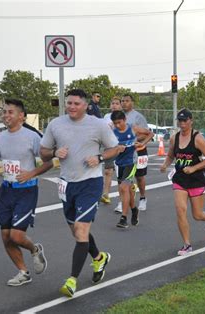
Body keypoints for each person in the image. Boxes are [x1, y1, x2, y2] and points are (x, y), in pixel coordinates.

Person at [40, 89, 123, 297]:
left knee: (81, 230)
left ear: (86, 105)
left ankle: (72, 280)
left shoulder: (98, 125)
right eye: (69, 103)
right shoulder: (56, 124)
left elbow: (115, 148)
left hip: (90, 183)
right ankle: (99, 258)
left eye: (77, 103)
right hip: (67, 184)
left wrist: (100, 158)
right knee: (77, 232)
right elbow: (43, 153)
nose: (72, 107)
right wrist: (54, 153)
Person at [0, 99, 52, 286]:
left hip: (27, 190)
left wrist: (31, 173)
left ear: (21, 116)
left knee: (16, 236)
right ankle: (23, 272)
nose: (6, 115)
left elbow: (48, 162)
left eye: (10, 112)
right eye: (4, 112)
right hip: (6, 190)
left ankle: (35, 250)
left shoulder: (32, 137)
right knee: (6, 236)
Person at [160, 109, 205, 255]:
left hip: (196, 180)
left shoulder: (197, 138)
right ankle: (187, 244)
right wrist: (165, 165)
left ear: (191, 121)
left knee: (197, 215)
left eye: (185, 120)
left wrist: (193, 168)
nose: (182, 123)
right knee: (180, 210)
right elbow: (170, 155)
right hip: (180, 179)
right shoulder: (175, 138)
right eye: (180, 121)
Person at [111, 111, 153, 228]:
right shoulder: (112, 132)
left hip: (131, 162)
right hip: (119, 163)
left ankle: (123, 218)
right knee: (127, 191)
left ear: (124, 120)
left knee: (124, 188)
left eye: (119, 122)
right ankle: (134, 209)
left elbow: (150, 133)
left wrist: (142, 144)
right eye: (115, 123)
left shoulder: (133, 128)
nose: (118, 125)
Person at [118, 94, 149, 212]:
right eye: (122, 101)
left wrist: (134, 140)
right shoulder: (118, 117)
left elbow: (146, 133)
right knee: (123, 178)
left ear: (132, 103)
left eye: (127, 101)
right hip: (124, 152)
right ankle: (123, 201)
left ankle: (142, 198)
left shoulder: (138, 117)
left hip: (138, 150)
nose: (124, 103)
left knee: (139, 176)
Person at [101, 97, 123, 205]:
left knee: (120, 174)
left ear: (120, 105)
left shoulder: (123, 117)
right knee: (108, 171)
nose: (114, 105)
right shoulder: (106, 117)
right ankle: (106, 194)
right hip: (109, 147)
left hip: (120, 147)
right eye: (112, 103)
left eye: (117, 103)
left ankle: (122, 198)